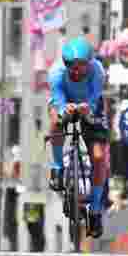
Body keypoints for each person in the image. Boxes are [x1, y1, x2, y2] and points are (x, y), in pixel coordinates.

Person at [47, 35, 109, 238]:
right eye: (72, 66)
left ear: (89, 63)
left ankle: (96, 210)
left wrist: (87, 109)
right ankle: (57, 168)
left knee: (99, 157)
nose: (77, 70)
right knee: (56, 123)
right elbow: (58, 100)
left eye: (82, 66)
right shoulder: (56, 74)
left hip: (90, 105)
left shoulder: (98, 71)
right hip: (65, 102)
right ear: (65, 65)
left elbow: (94, 98)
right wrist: (65, 109)